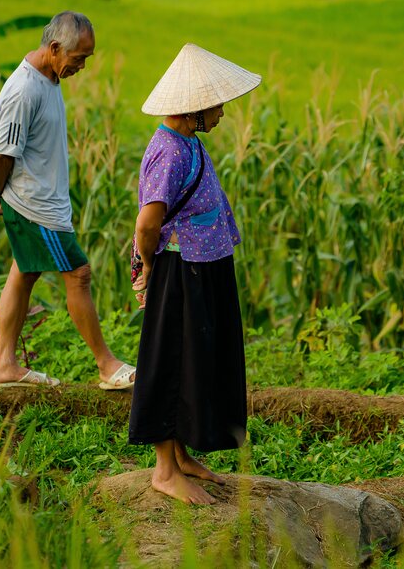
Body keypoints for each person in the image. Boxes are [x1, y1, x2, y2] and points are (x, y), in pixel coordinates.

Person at [0, 11, 135, 391]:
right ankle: (106, 365)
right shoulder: (23, 90)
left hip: (35, 200)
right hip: (36, 207)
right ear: (56, 48)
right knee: (78, 274)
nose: (81, 67)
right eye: (78, 59)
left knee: (23, 273)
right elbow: (1, 154)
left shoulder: (49, 77)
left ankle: (5, 365)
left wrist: (0, 194)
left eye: (86, 60)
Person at [129, 43, 261, 504]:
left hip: (202, 265)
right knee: (170, 359)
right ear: (193, 108)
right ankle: (164, 470)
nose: (223, 111)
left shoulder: (189, 142)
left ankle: (181, 455)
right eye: (217, 103)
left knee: (195, 357)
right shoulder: (169, 152)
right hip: (180, 269)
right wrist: (149, 265)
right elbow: (149, 221)